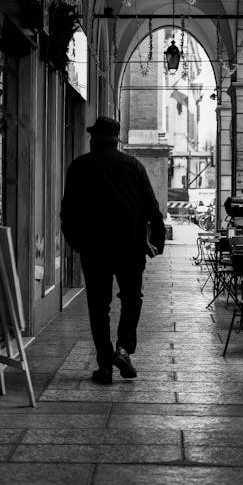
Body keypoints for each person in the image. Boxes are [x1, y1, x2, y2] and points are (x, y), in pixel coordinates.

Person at [60, 115, 166, 385]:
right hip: (129, 248)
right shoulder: (133, 166)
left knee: (99, 307)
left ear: (94, 139)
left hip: (94, 249)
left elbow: (68, 212)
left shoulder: (79, 166)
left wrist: (77, 243)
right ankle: (123, 349)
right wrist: (157, 242)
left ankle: (105, 365)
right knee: (132, 299)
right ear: (116, 140)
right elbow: (153, 209)